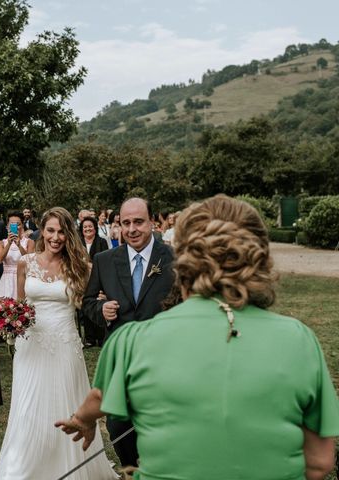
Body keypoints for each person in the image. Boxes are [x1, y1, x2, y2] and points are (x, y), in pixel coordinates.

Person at [58, 195, 339, 480]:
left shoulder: (130, 341)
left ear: (184, 258)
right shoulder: (299, 340)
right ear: (259, 254)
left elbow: (100, 398)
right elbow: (319, 461)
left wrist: (83, 419)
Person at [0, 207, 116, 480]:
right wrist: (8, 318)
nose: (56, 237)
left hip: (64, 344)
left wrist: (106, 306)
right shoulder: (26, 262)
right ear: (42, 231)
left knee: (66, 401)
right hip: (31, 345)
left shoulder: (81, 267)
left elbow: (92, 303)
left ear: (68, 234)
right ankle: (24, 468)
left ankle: (69, 466)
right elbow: (19, 304)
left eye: (62, 231)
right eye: (51, 230)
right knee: (28, 407)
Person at [81, 197, 174, 469]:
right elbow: (87, 303)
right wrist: (101, 308)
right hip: (120, 359)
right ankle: (131, 471)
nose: (132, 229)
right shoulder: (105, 260)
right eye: (125, 223)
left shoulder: (173, 258)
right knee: (117, 422)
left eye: (139, 222)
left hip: (163, 356)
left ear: (153, 223)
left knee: (159, 421)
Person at [78, 216, 109, 348]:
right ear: (82, 229)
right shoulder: (78, 243)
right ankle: (89, 338)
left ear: (95, 228)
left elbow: (106, 259)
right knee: (86, 304)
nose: (87, 229)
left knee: (99, 304)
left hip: (98, 277)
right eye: (85, 227)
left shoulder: (102, 242)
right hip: (83, 278)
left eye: (90, 226)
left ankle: (101, 337)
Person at [0, 211, 35, 300]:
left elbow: (31, 261)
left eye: (18, 224)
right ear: (7, 226)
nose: (15, 227)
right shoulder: (1, 243)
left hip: (23, 278)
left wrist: (19, 245)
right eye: (12, 224)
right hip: (7, 280)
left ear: (22, 225)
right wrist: (9, 243)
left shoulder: (29, 242)